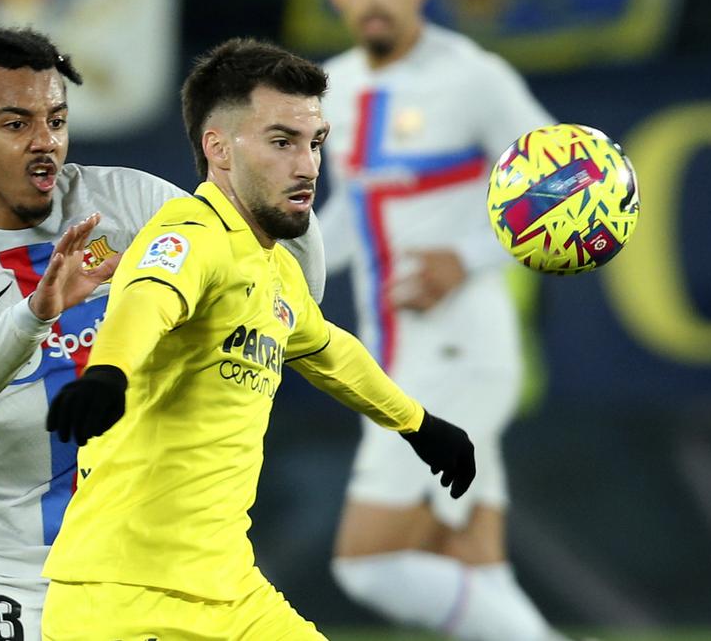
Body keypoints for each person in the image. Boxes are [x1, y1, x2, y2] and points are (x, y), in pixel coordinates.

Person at [0, 23, 326, 640]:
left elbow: (285, 280)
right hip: (4, 563)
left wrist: (268, 187)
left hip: (135, 555)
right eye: (16, 125)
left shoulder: (130, 204)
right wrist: (34, 315)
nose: (45, 144)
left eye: (55, 121)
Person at [39, 37, 477, 640]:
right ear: (218, 149)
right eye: (282, 142)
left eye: (315, 143)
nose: (308, 166)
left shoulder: (274, 269)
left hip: (231, 594)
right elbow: (147, 299)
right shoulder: (190, 234)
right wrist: (110, 372)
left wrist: (419, 425)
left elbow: (329, 352)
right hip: (125, 599)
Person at [316, 0, 566, 639]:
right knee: (473, 566)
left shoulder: (472, 75)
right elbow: (350, 211)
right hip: (399, 353)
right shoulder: (332, 86)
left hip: (458, 349)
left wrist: (467, 255)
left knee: (368, 564)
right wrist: (266, 261)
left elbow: (568, 180)